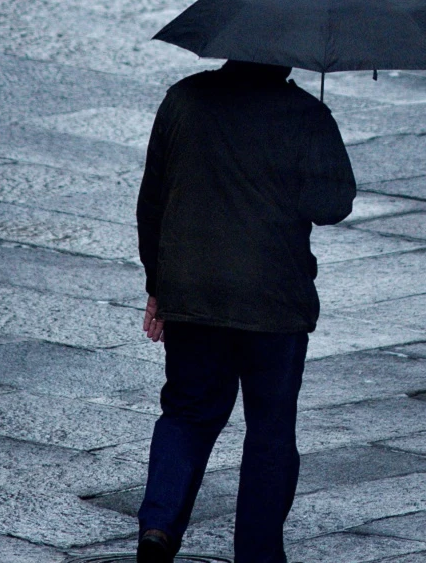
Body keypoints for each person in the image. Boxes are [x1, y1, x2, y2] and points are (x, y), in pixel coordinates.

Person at [135, 59, 356, 563]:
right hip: (274, 302)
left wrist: (157, 285)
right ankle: (258, 555)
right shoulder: (305, 114)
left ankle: (158, 528)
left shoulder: (184, 100)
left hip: (193, 294)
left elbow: (152, 202)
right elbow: (333, 204)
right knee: (270, 430)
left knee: (187, 413)